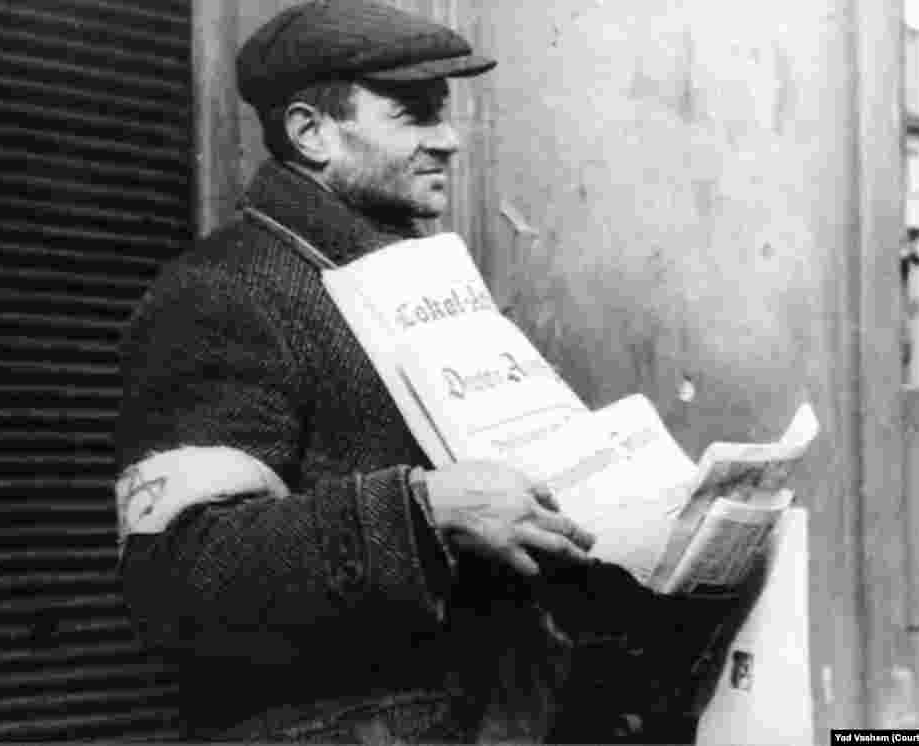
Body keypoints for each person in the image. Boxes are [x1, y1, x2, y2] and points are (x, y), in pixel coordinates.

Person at [116, 1, 734, 742]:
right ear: (311, 132)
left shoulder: (421, 277)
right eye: (412, 114)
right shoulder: (222, 292)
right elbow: (179, 573)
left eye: (444, 112)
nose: (449, 141)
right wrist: (424, 511)